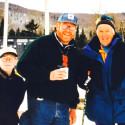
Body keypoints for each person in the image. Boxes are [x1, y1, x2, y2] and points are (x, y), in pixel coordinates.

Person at [16, 13, 86, 125]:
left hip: (63, 107)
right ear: (57, 26)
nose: (68, 30)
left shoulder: (74, 52)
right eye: (65, 25)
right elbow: (22, 67)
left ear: (75, 30)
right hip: (40, 104)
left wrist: (73, 106)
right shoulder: (41, 43)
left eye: (72, 27)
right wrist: (48, 75)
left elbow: (73, 81)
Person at [81, 14, 125, 125]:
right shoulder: (88, 52)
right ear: (96, 33)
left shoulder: (122, 49)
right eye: (100, 31)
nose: (104, 34)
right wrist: (84, 81)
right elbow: (80, 74)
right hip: (100, 103)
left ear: (114, 32)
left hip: (122, 102)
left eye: (107, 31)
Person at [0, 47, 26, 125]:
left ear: (16, 62)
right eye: (4, 58)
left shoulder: (19, 81)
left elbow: (22, 105)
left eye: (11, 59)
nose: (7, 61)